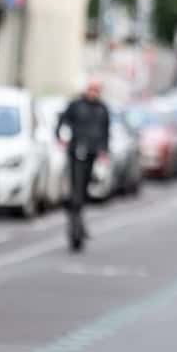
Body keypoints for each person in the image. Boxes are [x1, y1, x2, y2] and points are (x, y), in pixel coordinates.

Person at [56, 80, 110, 252]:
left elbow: (106, 132)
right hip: (76, 153)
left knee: (85, 189)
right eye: (91, 90)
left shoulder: (102, 109)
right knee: (77, 189)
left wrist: (104, 150)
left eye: (97, 90)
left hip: (92, 155)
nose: (94, 93)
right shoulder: (76, 106)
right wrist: (60, 138)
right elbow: (62, 122)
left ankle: (76, 215)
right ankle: (76, 225)